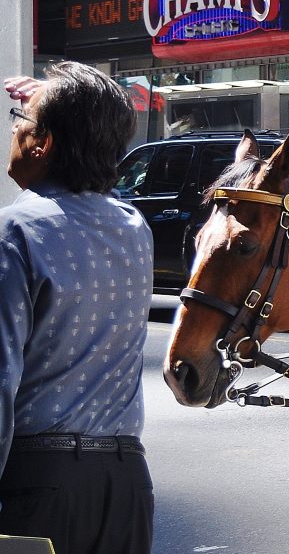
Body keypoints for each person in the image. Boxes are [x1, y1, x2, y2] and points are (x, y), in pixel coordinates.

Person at [0, 62, 154, 553]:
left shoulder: (16, 232)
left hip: (38, 484)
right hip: (127, 483)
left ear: (42, 143)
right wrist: (62, 103)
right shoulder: (133, 229)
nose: (14, 129)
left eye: (17, 120)